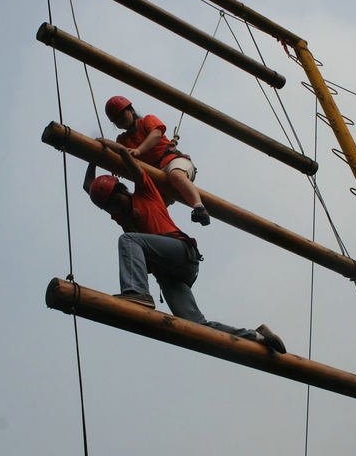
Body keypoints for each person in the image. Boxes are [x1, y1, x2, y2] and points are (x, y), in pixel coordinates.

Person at [83, 139, 286, 354]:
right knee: (194, 326)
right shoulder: (119, 215)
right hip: (169, 273)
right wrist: (92, 159)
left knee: (129, 240)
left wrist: (100, 144)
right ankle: (259, 336)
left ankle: (137, 293)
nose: (113, 209)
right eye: (108, 207)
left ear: (122, 191)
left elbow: (125, 154)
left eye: (115, 202)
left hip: (181, 252)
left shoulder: (145, 193)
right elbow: (88, 186)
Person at [102, 95, 211, 226]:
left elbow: (157, 134)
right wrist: (117, 167)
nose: (120, 120)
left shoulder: (147, 120)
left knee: (176, 175)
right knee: (147, 208)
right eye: (116, 119)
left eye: (121, 114)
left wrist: (139, 150)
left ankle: (199, 208)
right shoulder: (122, 140)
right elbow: (120, 157)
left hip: (172, 162)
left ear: (131, 110)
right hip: (154, 178)